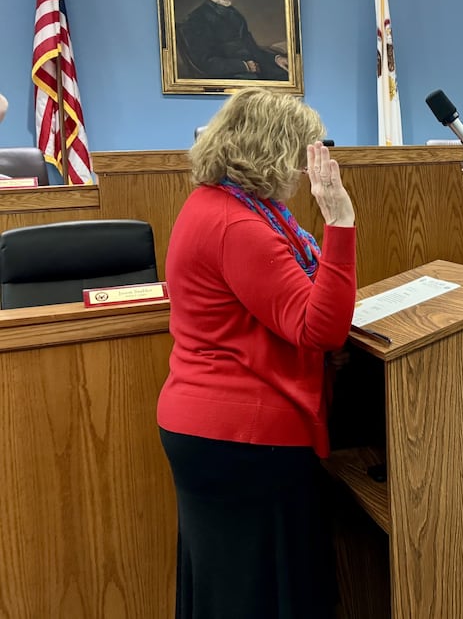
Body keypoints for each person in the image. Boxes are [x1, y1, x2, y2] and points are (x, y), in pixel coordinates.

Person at [157, 88, 356, 618]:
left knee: (229, 588)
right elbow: (319, 326)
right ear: (271, 151)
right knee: (257, 594)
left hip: (216, 430)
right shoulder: (239, 224)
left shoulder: (226, 206)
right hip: (242, 439)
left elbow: (277, 313)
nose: (303, 169)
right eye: (300, 152)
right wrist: (338, 220)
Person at [179, 0, 289, 80]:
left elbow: (252, 48)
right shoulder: (197, 18)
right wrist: (244, 66)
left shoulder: (234, 14)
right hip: (229, 75)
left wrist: (276, 58)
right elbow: (204, 62)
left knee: (286, 74)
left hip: (255, 68)